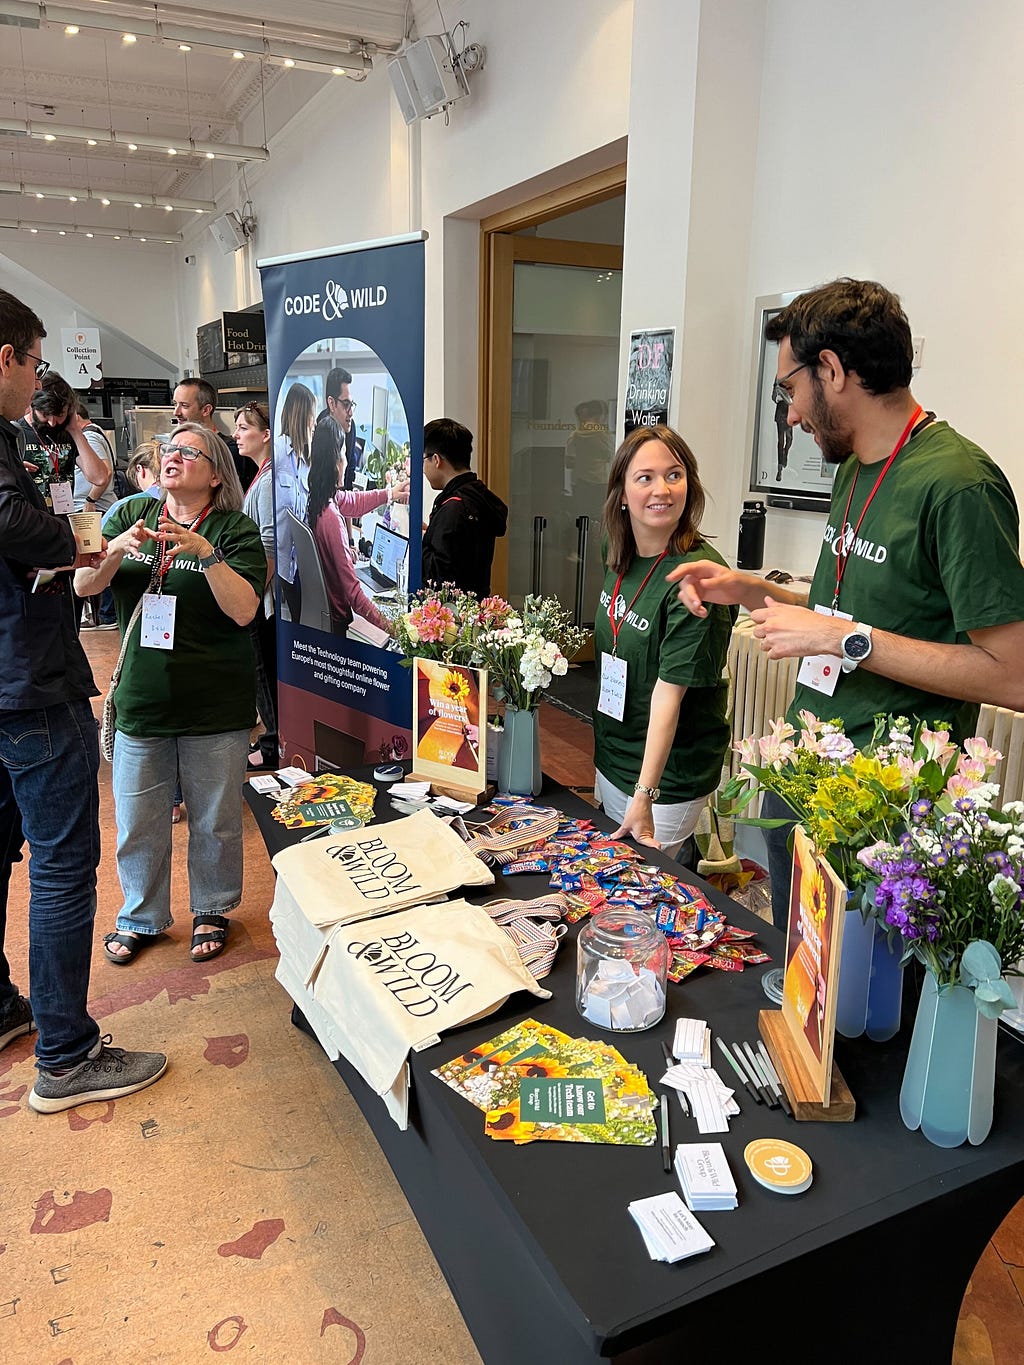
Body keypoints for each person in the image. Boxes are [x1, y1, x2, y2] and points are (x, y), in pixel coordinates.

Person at [670, 277, 1024, 926]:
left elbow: (1012, 672)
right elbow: (860, 604)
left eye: (789, 389)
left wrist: (840, 639)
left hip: (883, 821)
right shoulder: (856, 466)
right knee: (801, 988)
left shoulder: (960, 485)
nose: (791, 414)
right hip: (807, 781)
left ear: (830, 370)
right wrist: (756, 591)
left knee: (861, 1015)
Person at [0, 287, 167, 1113]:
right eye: (32, 366)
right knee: (64, 867)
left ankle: (7, 1006)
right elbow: (20, 526)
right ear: (8, 358)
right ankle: (64, 1054)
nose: (37, 384)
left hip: (9, 678)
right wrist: (86, 540)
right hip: (30, 683)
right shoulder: (3, 443)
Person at [75, 423, 266, 964]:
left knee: (214, 817)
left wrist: (206, 554)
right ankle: (142, 915)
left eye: (188, 451)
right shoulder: (127, 517)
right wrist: (114, 550)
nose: (172, 457)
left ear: (214, 474)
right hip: (143, 699)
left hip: (215, 703)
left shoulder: (233, 530)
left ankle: (212, 907)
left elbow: (245, 610)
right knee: (138, 820)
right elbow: (84, 587)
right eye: (169, 449)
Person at [593, 425, 736, 859]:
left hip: (664, 781)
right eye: (645, 477)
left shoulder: (699, 580)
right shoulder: (617, 549)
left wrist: (644, 795)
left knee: (643, 904)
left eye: (674, 475)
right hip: (613, 755)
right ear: (621, 492)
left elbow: (668, 694)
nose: (662, 489)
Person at [306, 417, 409, 637]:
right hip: (341, 622)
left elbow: (352, 501)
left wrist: (390, 493)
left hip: (329, 615)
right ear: (334, 461)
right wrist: (393, 628)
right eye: (343, 453)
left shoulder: (319, 499)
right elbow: (353, 594)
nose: (346, 460)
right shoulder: (332, 518)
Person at [236, 401, 278, 768]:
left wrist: (251, 595)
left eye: (244, 428)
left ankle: (272, 747)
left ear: (266, 435)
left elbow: (268, 546)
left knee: (264, 671)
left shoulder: (267, 482)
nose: (236, 435)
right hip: (261, 594)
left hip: (262, 597)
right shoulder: (263, 476)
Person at [421, 418, 507, 596]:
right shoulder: (476, 496)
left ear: (436, 459)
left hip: (453, 616)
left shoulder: (454, 509)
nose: (422, 468)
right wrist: (434, 534)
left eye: (423, 460)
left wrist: (421, 542)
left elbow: (438, 578)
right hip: (472, 610)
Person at [19, 370, 110, 512]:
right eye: (45, 414)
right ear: (32, 405)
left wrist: (75, 430)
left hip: (62, 518)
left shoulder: (67, 433)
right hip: (29, 520)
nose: (52, 423)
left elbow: (100, 478)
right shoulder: (17, 432)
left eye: (59, 415)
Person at [275, 381, 316, 623]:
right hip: (278, 562)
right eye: (312, 415)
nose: (314, 423)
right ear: (303, 415)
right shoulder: (278, 451)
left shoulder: (307, 459)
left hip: (298, 561)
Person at [74, 403, 118, 629]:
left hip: (93, 510)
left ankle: (106, 614)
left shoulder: (88, 437)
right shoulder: (95, 434)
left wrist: (89, 501)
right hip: (92, 509)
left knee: (98, 558)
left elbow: (105, 471)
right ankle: (102, 614)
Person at [173, 376, 257, 491]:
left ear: (206, 410)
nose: (176, 412)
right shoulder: (174, 448)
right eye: (175, 404)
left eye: (184, 406)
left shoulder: (230, 450)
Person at [320, 366, 365, 493]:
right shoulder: (320, 430)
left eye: (352, 404)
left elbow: (350, 471)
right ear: (332, 404)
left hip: (343, 502)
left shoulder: (351, 426)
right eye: (346, 404)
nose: (351, 413)